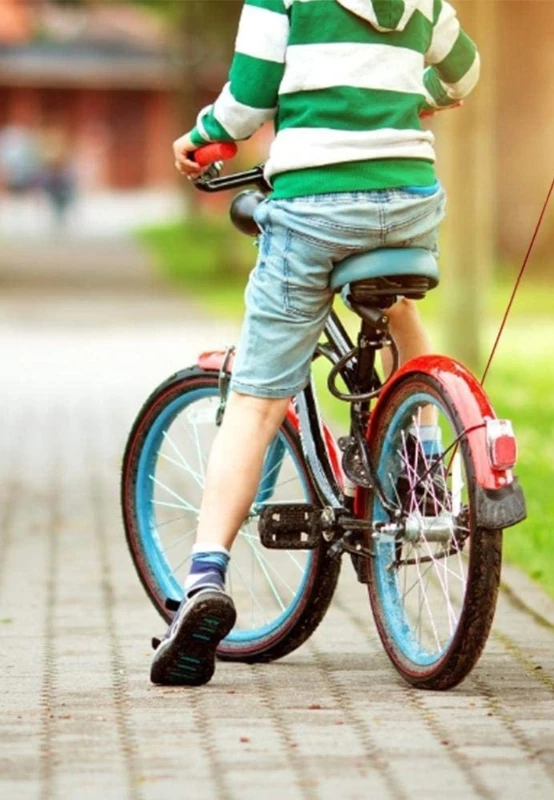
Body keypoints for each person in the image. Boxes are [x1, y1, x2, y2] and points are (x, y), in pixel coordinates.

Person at [150, 0, 479, 686]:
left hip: (315, 208)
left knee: (256, 402)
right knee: (395, 310)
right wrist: (403, 100)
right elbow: (463, 74)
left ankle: (204, 578)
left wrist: (203, 138)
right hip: (410, 202)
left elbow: (248, 100)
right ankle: (423, 462)